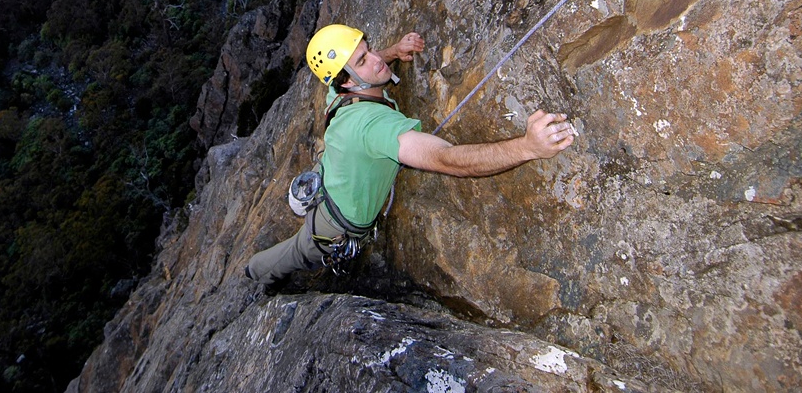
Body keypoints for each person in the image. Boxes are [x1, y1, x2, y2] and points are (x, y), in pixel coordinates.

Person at [245, 23, 575, 286]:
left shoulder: (339, 88)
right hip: (332, 227)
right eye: (363, 61)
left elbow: (366, 62)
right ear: (346, 82)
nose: (375, 60)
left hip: (332, 179)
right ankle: (253, 274)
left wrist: (394, 51)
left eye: (368, 50)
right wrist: (527, 147)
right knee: (292, 255)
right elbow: (446, 159)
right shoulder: (372, 127)